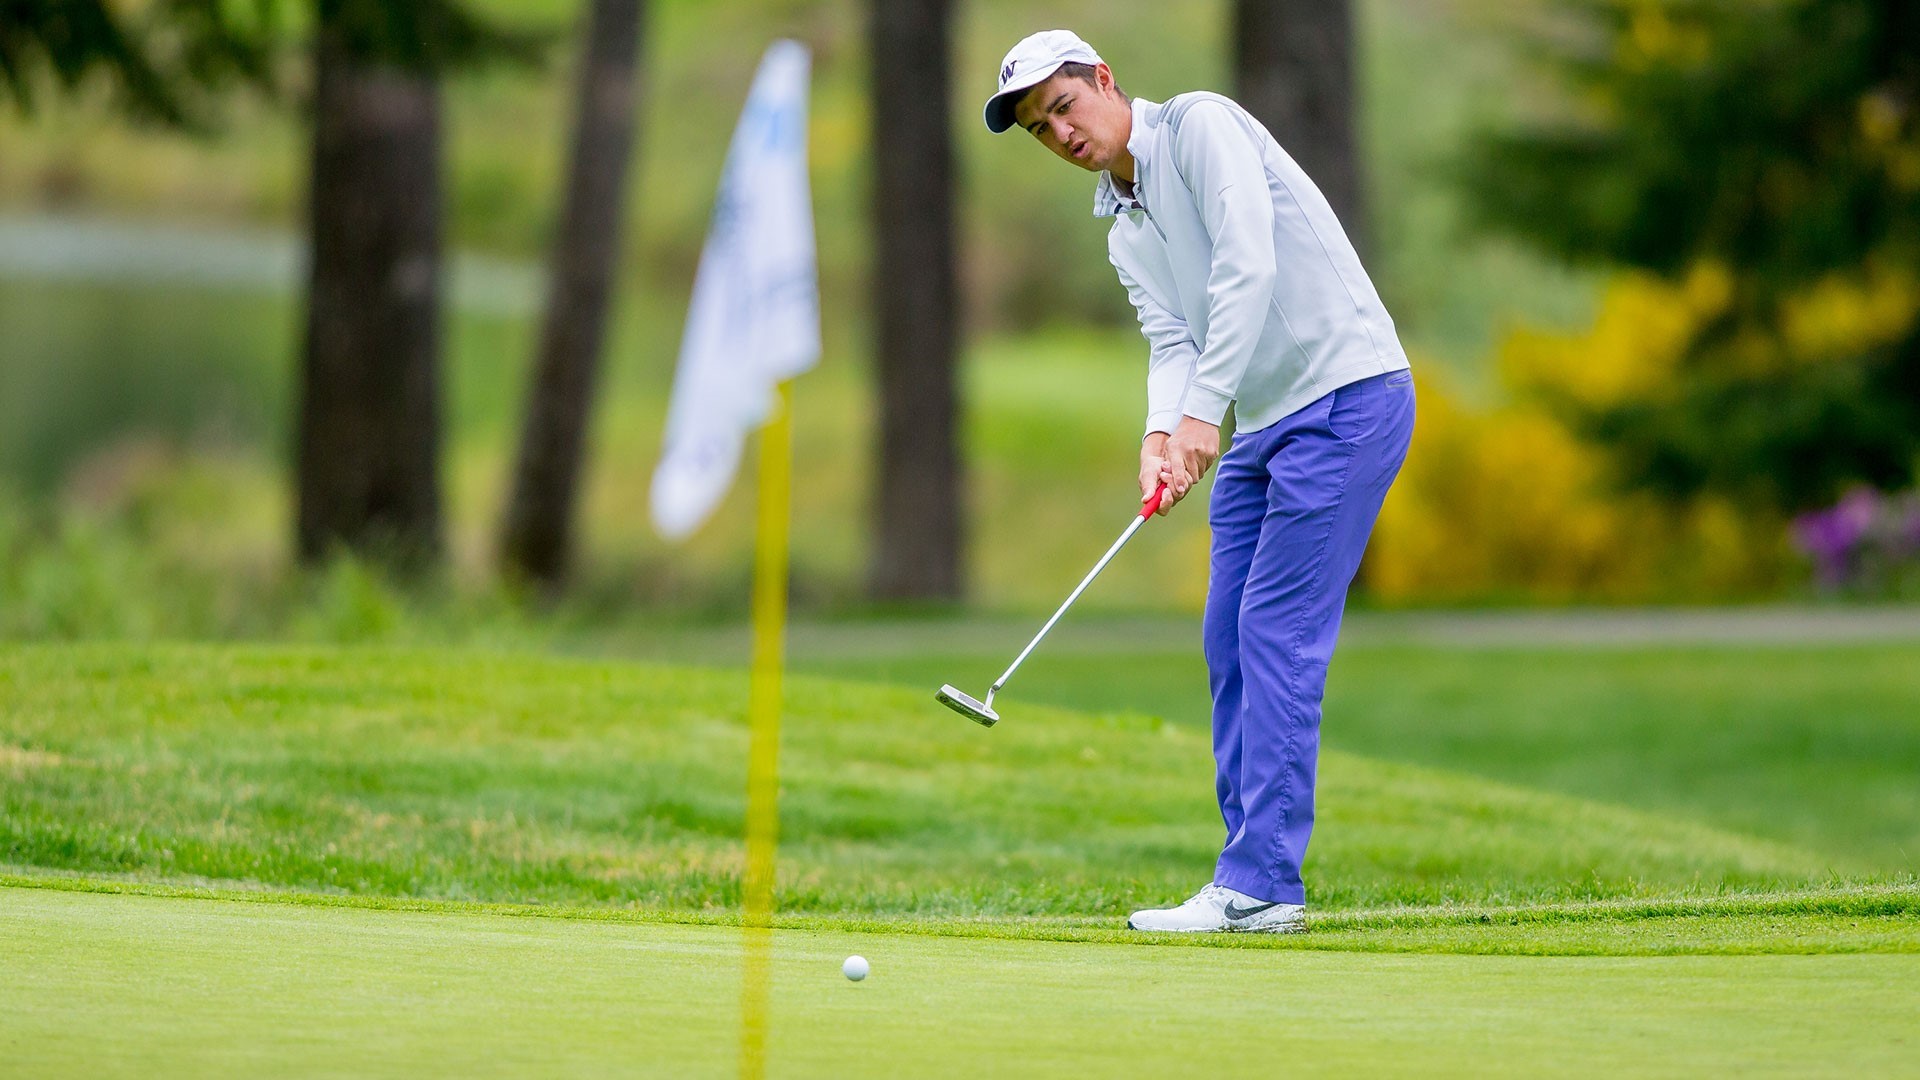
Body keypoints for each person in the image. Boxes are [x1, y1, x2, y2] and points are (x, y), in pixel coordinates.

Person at [983, 30, 1416, 932]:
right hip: (1263, 421)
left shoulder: (1201, 128)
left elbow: (1247, 265)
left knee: (1275, 634)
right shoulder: (1123, 225)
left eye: (1063, 107)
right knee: (1228, 638)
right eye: (1039, 129)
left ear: (1104, 80)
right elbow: (1172, 339)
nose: (1060, 134)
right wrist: (1160, 435)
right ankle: (1244, 875)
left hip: (1346, 398)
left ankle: (1262, 884)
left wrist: (1200, 416)